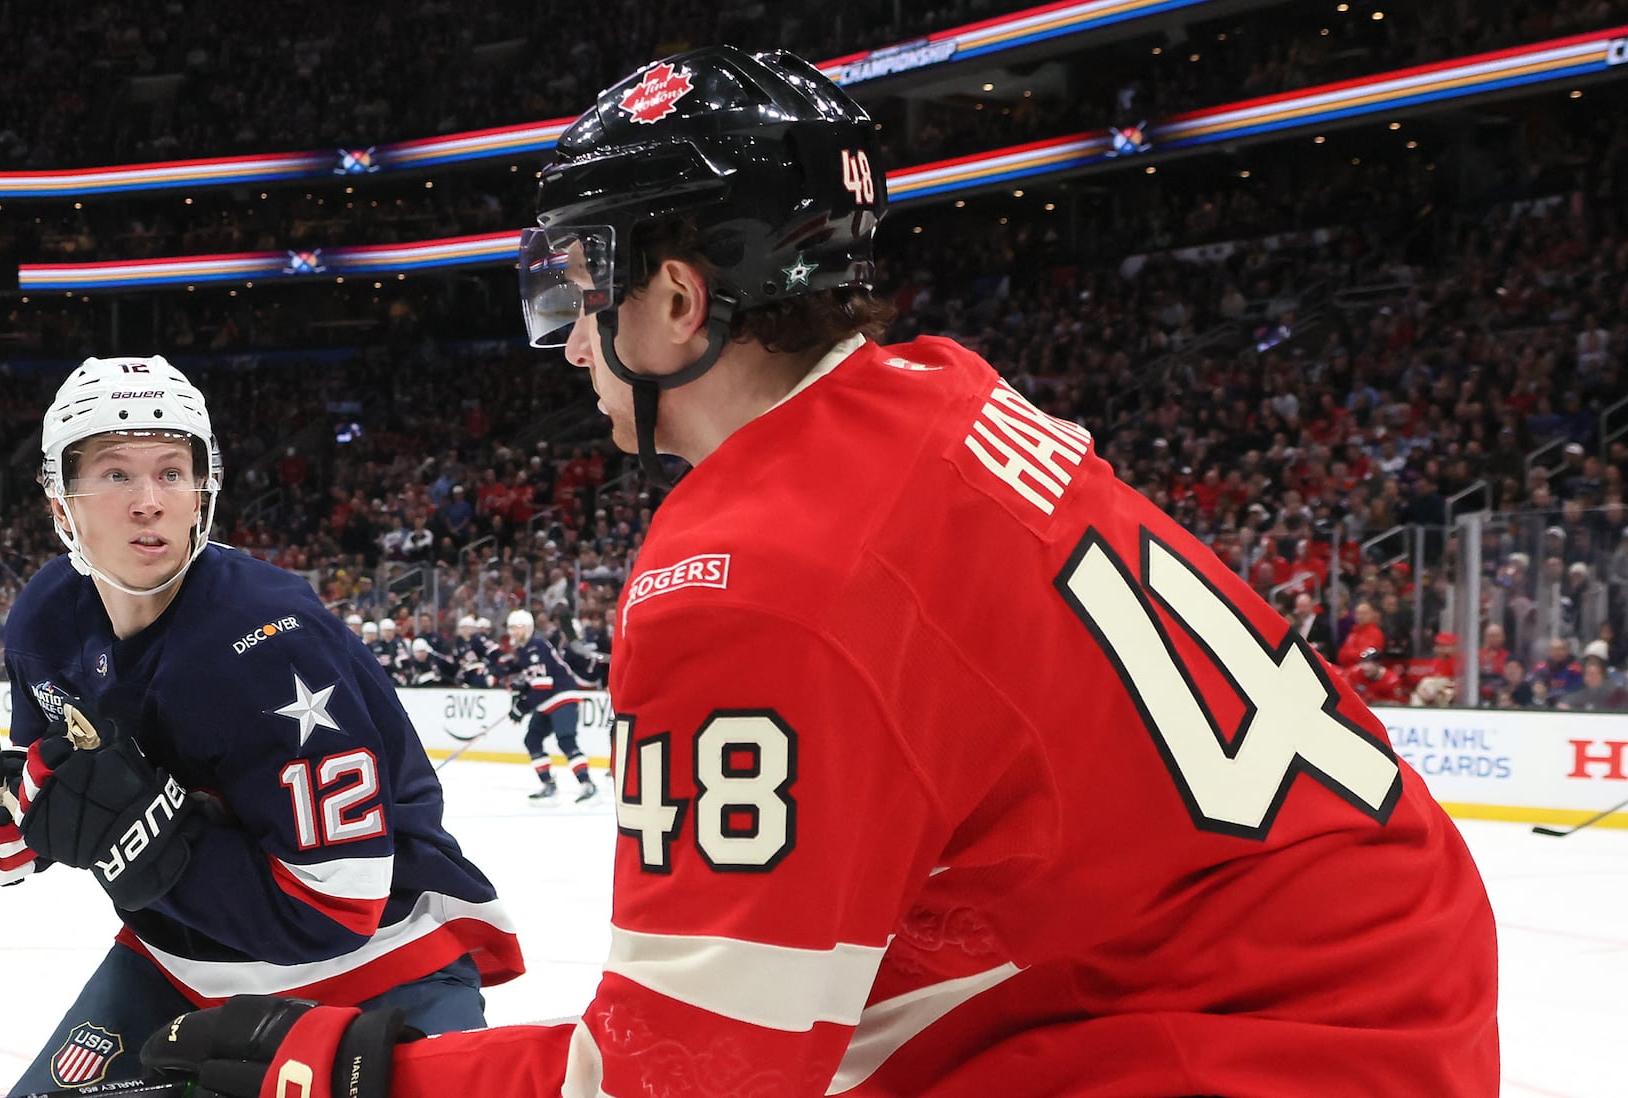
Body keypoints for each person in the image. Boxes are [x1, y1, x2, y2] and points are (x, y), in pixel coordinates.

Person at [139, 47, 1497, 1097]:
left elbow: (684, 1078)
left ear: (676, 301)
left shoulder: (753, 570)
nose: (558, 340)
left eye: (573, 290)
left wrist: (351, 1068)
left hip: (1264, 1041)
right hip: (1350, 973)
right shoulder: (940, 391)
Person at [0, 355, 523, 1095]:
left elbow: (338, 906)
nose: (149, 501)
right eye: (116, 474)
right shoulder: (45, 619)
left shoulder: (270, 642)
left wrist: (140, 837)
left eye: (172, 471)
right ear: (62, 503)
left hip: (379, 971)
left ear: (200, 491)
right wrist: (17, 816)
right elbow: (60, 771)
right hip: (179, 968)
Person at [497, 607, 598, 801]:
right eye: (511, 628)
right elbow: (535, 682)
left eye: (518, 627)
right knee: (532, 740)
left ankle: (587, 783)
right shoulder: (525, 649)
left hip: (562, 696)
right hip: (548, 700)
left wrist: (522, 707)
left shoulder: (536, 646)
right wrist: (521, 694)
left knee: (565, 740)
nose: (513, 632)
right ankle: (548, 783)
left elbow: (543, 686)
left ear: (527, 628)